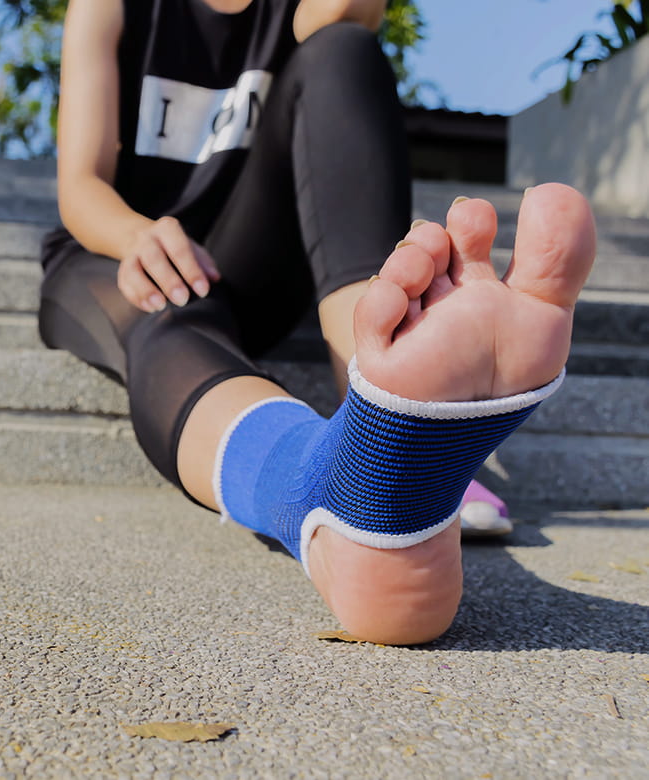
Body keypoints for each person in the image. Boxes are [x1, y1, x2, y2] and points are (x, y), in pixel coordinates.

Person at [38, 0, 596, 645]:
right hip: (117, 249)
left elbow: (341, 21)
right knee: (166, 313)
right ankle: (335, 487)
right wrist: (137, 235)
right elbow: (79, 185)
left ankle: (385, 412)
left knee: (342, 50)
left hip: (248, 262)